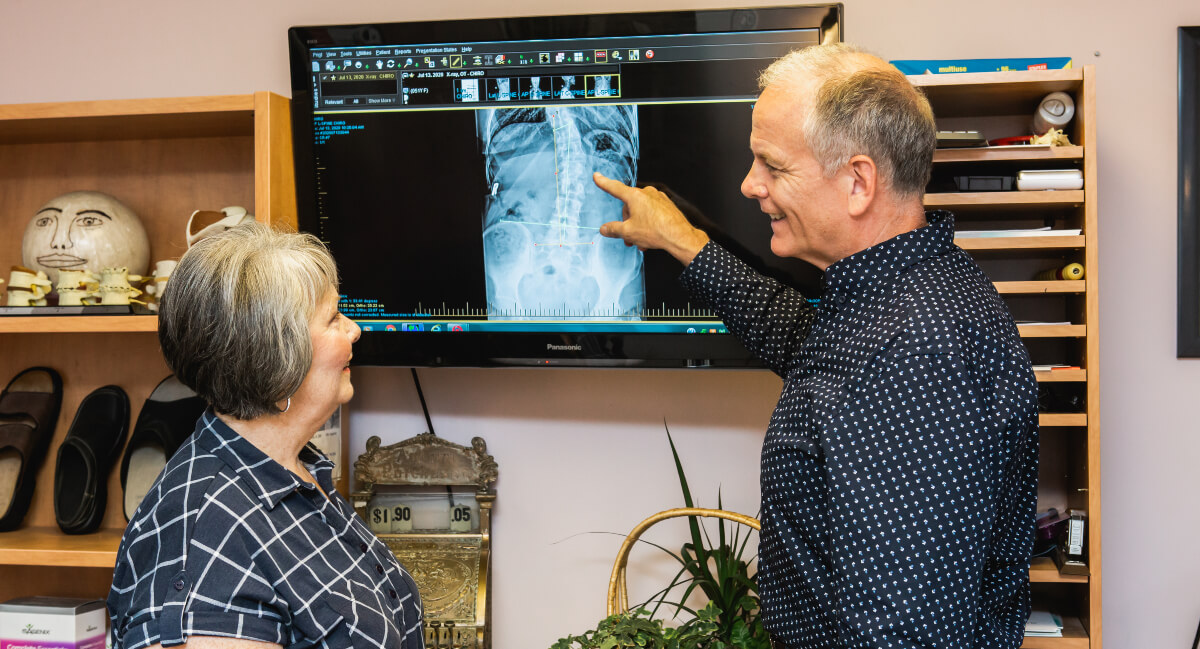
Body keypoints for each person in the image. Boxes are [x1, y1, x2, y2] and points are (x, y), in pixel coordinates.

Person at [594, 42, 1038, 649]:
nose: (750, 185)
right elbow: (808, 346)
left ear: (858, 182)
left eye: (772, 166)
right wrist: (684, 242)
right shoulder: (895, 291)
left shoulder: (912, 354)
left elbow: (904, 636)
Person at [107, 223, 424, 649]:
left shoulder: (295, 467)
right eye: (333, 318)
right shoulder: (207, 534)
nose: (354, 330)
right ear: (278, 361)